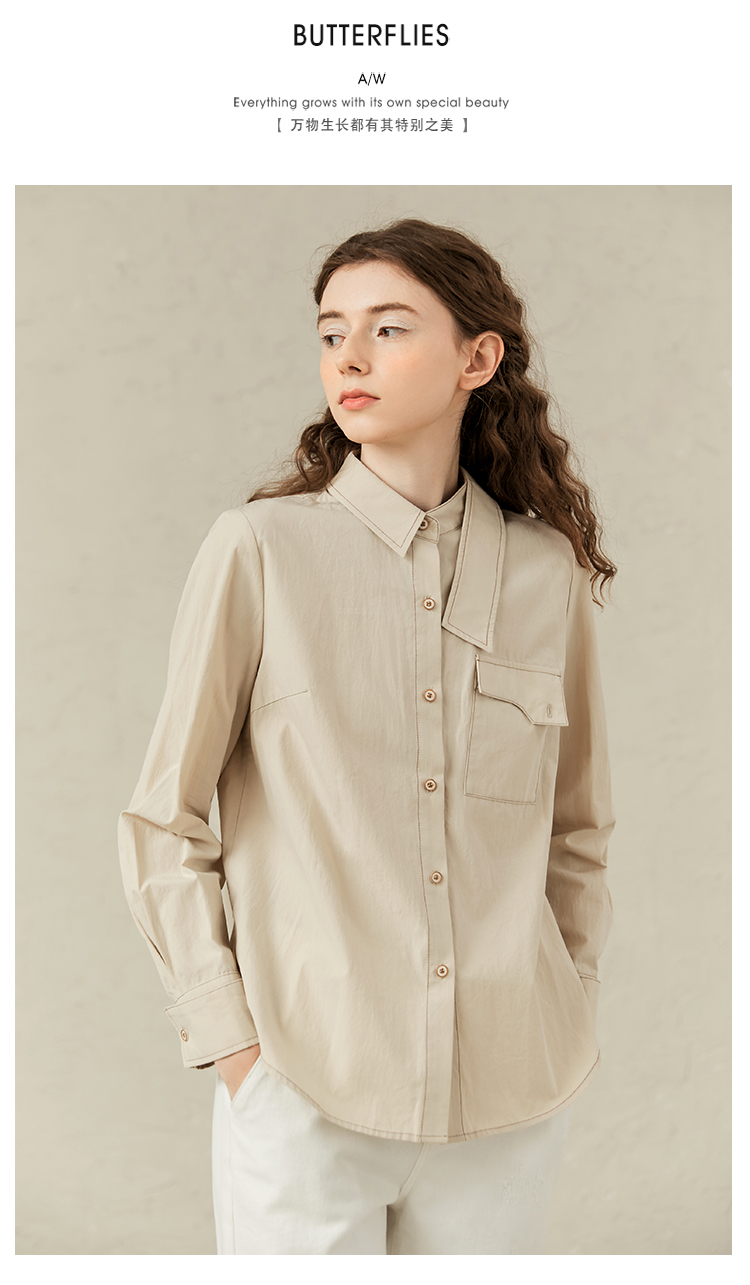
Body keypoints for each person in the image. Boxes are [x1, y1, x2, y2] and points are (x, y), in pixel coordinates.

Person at [118, 217, 616, 1255]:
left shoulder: (545, 574)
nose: (349, 356)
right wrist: (234, 1045)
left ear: (478, 358)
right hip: (304, 1086)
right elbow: (165, 817)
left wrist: (564, 1001)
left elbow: (578, 826)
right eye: (331, 331)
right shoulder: (259, 550)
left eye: (388, 328)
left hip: (508, 1098)